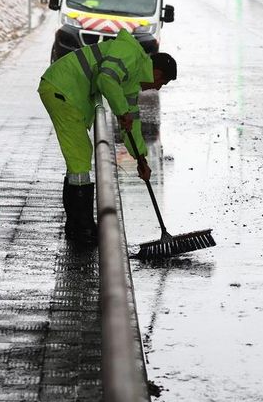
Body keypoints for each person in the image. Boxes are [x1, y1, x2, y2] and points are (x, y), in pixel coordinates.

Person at [38, 30, 177, 245]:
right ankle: (81, 227)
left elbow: (132, 125)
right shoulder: (129, 53)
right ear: (156, 73)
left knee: (80, 155)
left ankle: (78, 225)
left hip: (66, 92)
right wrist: (121, 112)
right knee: (80, 156)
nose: (157, 88)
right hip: (62, 88)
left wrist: (141, 159)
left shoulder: (132, 81)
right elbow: (106, 79)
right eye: (161, 83)